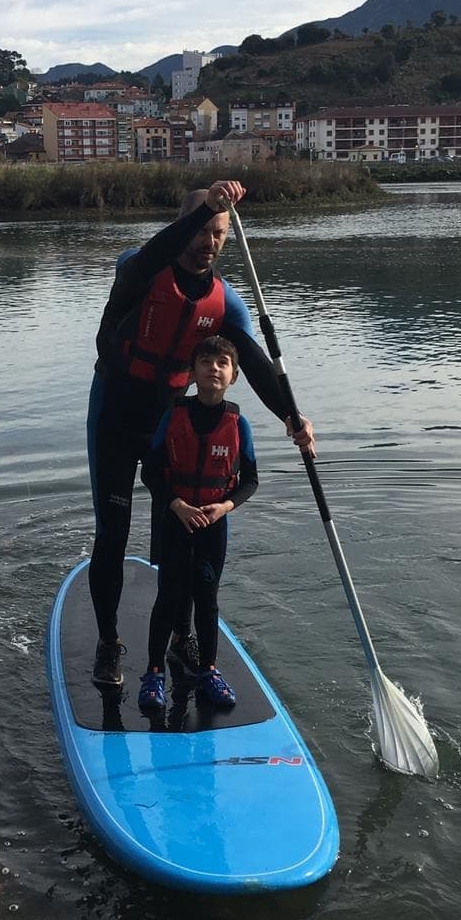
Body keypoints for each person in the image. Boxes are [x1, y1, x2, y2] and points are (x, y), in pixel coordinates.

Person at [87, 178, 314, 687]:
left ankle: (179, 638)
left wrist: (291, 417)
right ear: (181, 224)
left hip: (170, 422)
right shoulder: (139, 268)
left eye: (219, 231)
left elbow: (254, 365)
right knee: (114, 533)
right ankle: (108, 642)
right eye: (202, 225)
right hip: (117, 414)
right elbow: (149, 258)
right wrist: (203, 208)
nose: (209, 239)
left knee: (182, 533)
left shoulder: (225, 303)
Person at [138, 336, 256, 715]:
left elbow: (250, 480)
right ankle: (154, 673)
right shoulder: (174, 415)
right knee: (170, 596)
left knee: (207, 599)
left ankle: (208, 671)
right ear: (193, 373)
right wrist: (176, 505)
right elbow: (151, 471)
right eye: (205, 361)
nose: (213, 368)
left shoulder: (239, 424)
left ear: (233, 375)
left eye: (222, 363)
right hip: (177, 520)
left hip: (213, 525)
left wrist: (225, 506)